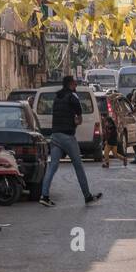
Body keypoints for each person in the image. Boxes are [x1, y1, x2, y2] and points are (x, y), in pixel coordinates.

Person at [38, 76, 102, 207]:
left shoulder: (57, 97)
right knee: (78, 166)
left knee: (53, 166)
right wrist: (76, 121)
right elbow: (79, 115)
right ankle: (87, 196)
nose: (76, 86)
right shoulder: (73, 97)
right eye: (74, 84)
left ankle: (44, 196)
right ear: (70, 85)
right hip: (67, 136)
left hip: (55, 136)